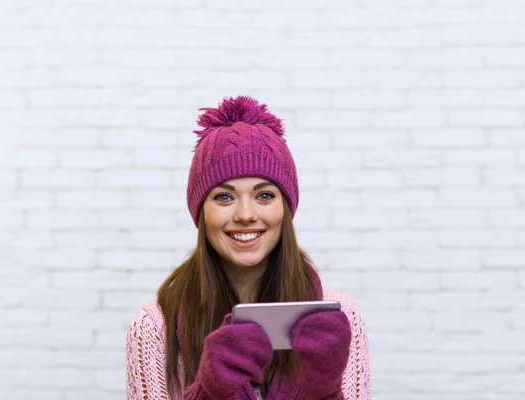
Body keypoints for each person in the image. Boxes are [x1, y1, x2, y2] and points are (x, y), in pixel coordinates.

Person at [126, 95, 371, 400]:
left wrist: (323, 391)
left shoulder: (339, 318)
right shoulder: (153, 327)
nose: (245, 215)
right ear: (201, 211)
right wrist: (208, 392)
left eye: (264, 195)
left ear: (286, 208)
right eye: (224, 197)